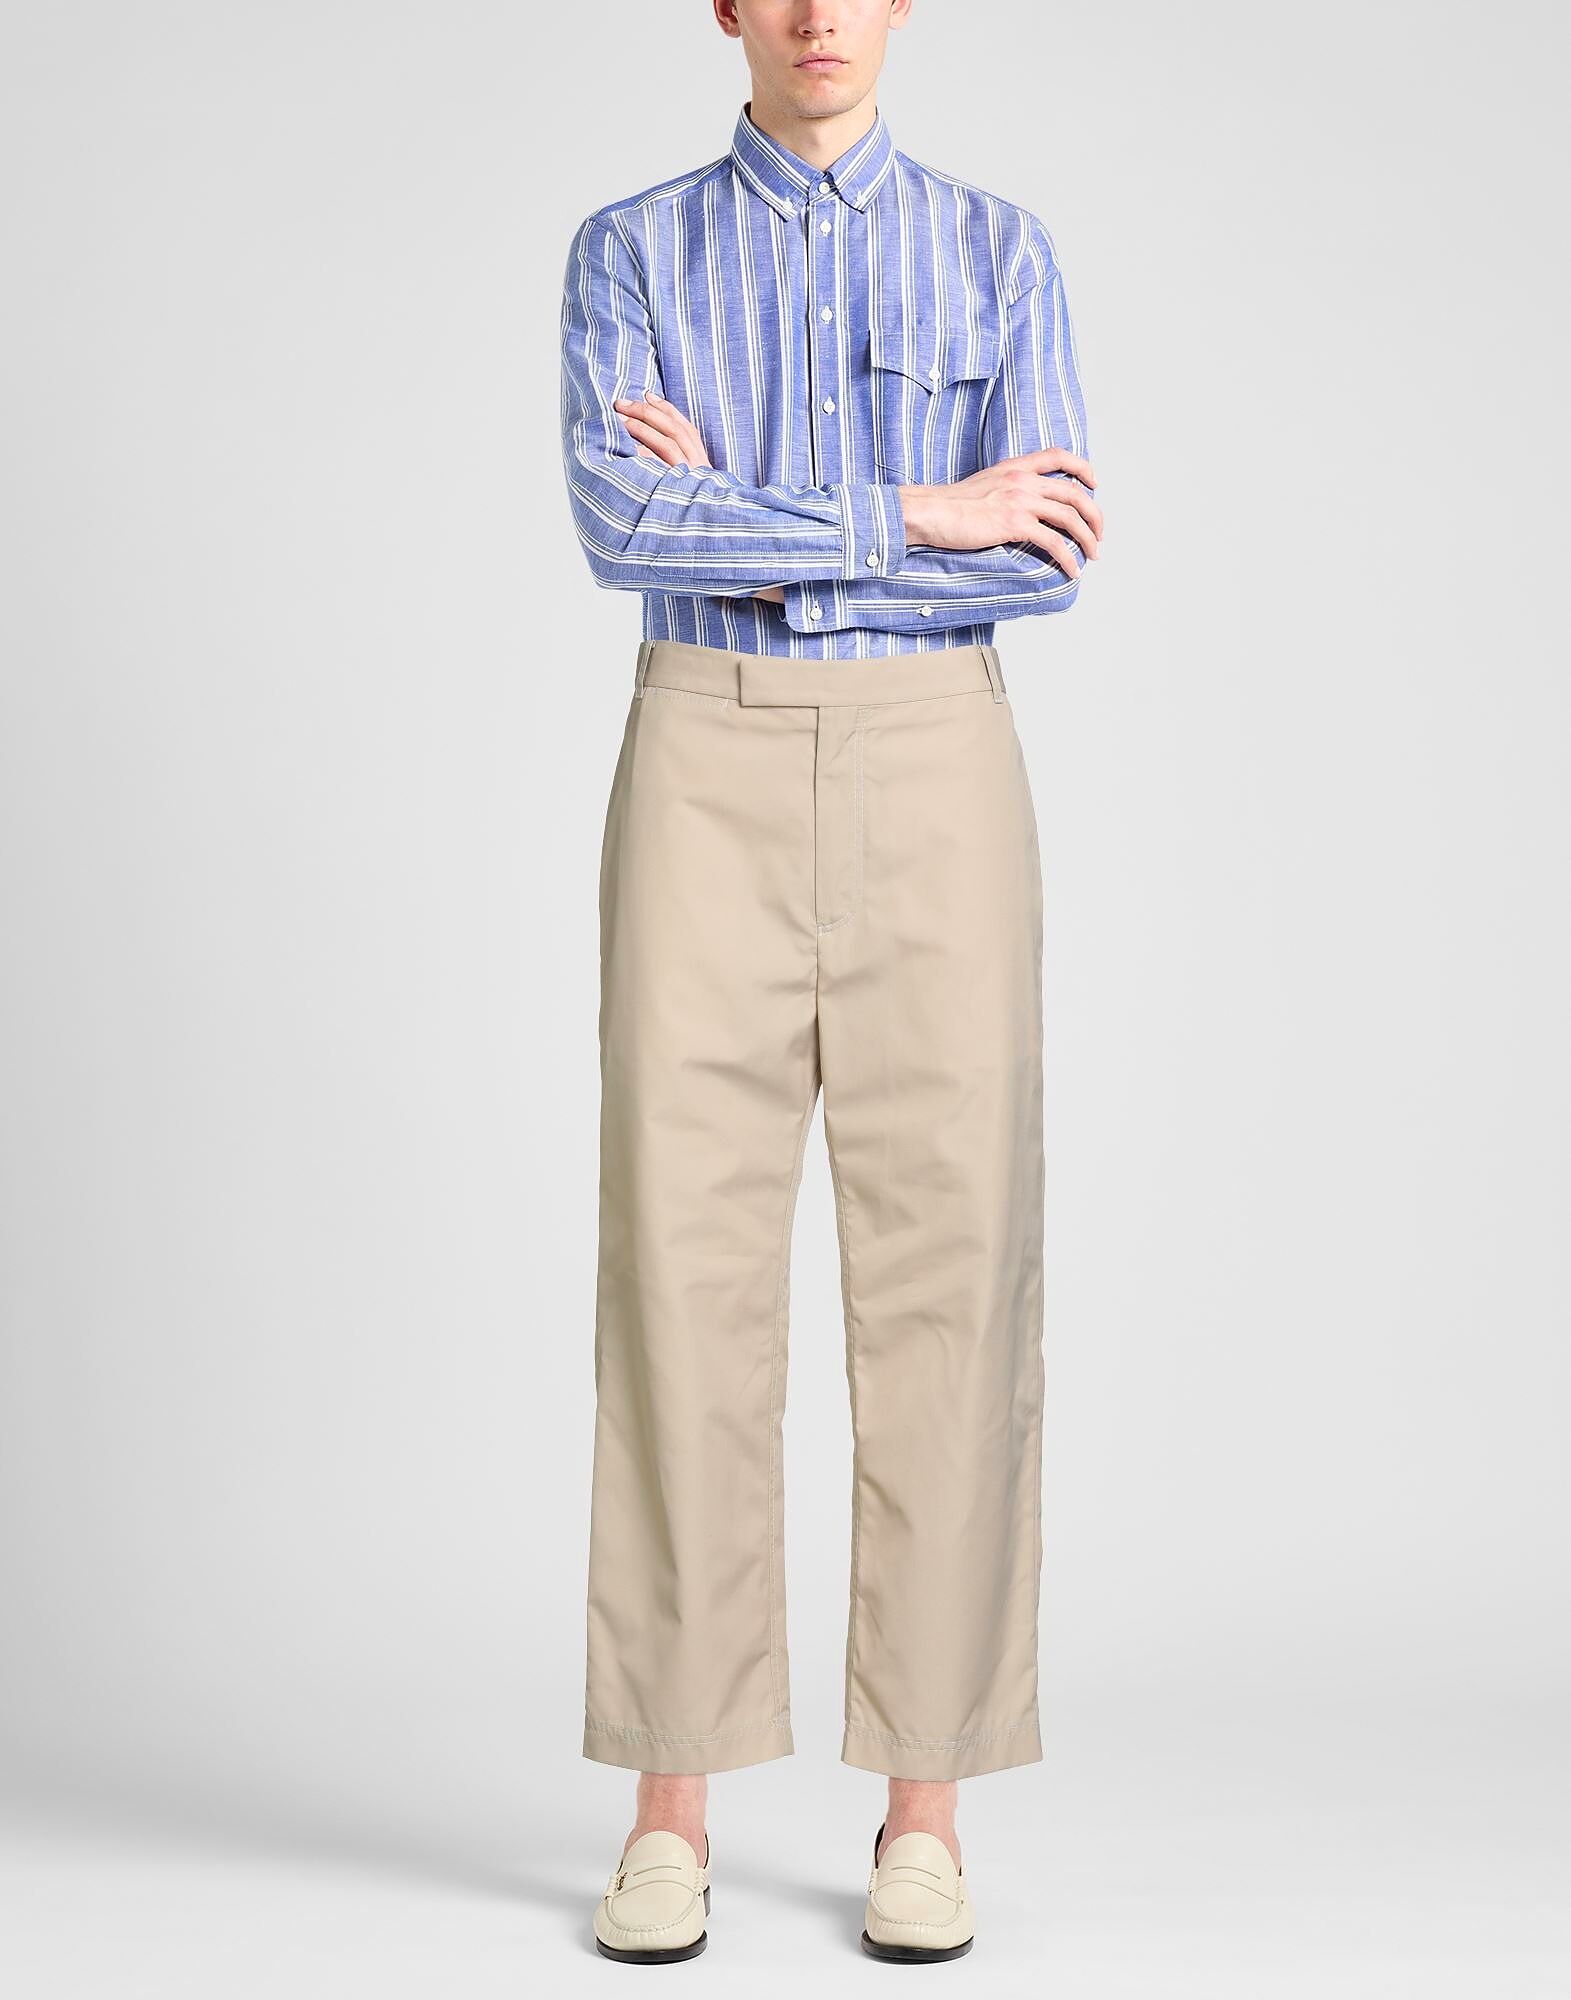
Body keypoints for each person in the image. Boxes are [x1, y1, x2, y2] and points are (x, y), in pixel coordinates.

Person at [558, 0, 1102, 1965]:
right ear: (723, 3)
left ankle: (925, 1810)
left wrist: (753, 517)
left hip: (936, 762)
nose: (815, 14)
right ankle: (670, 1808)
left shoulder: (1000, 252)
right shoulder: (630, 253)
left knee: (954, 1262)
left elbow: (1046, 557)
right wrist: (917, 509)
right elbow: (620, 523)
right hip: (698, 755)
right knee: (678, 1267)